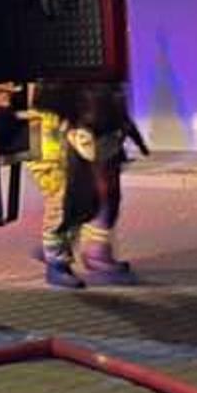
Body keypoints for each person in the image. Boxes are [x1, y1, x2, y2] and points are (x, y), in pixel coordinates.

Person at [30, 83, 148, 288]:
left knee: (98, 196)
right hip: (60, 138)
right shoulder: (55, 113)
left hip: (85, 125)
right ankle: (56, 261)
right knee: (62, 200)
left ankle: (90, 250)